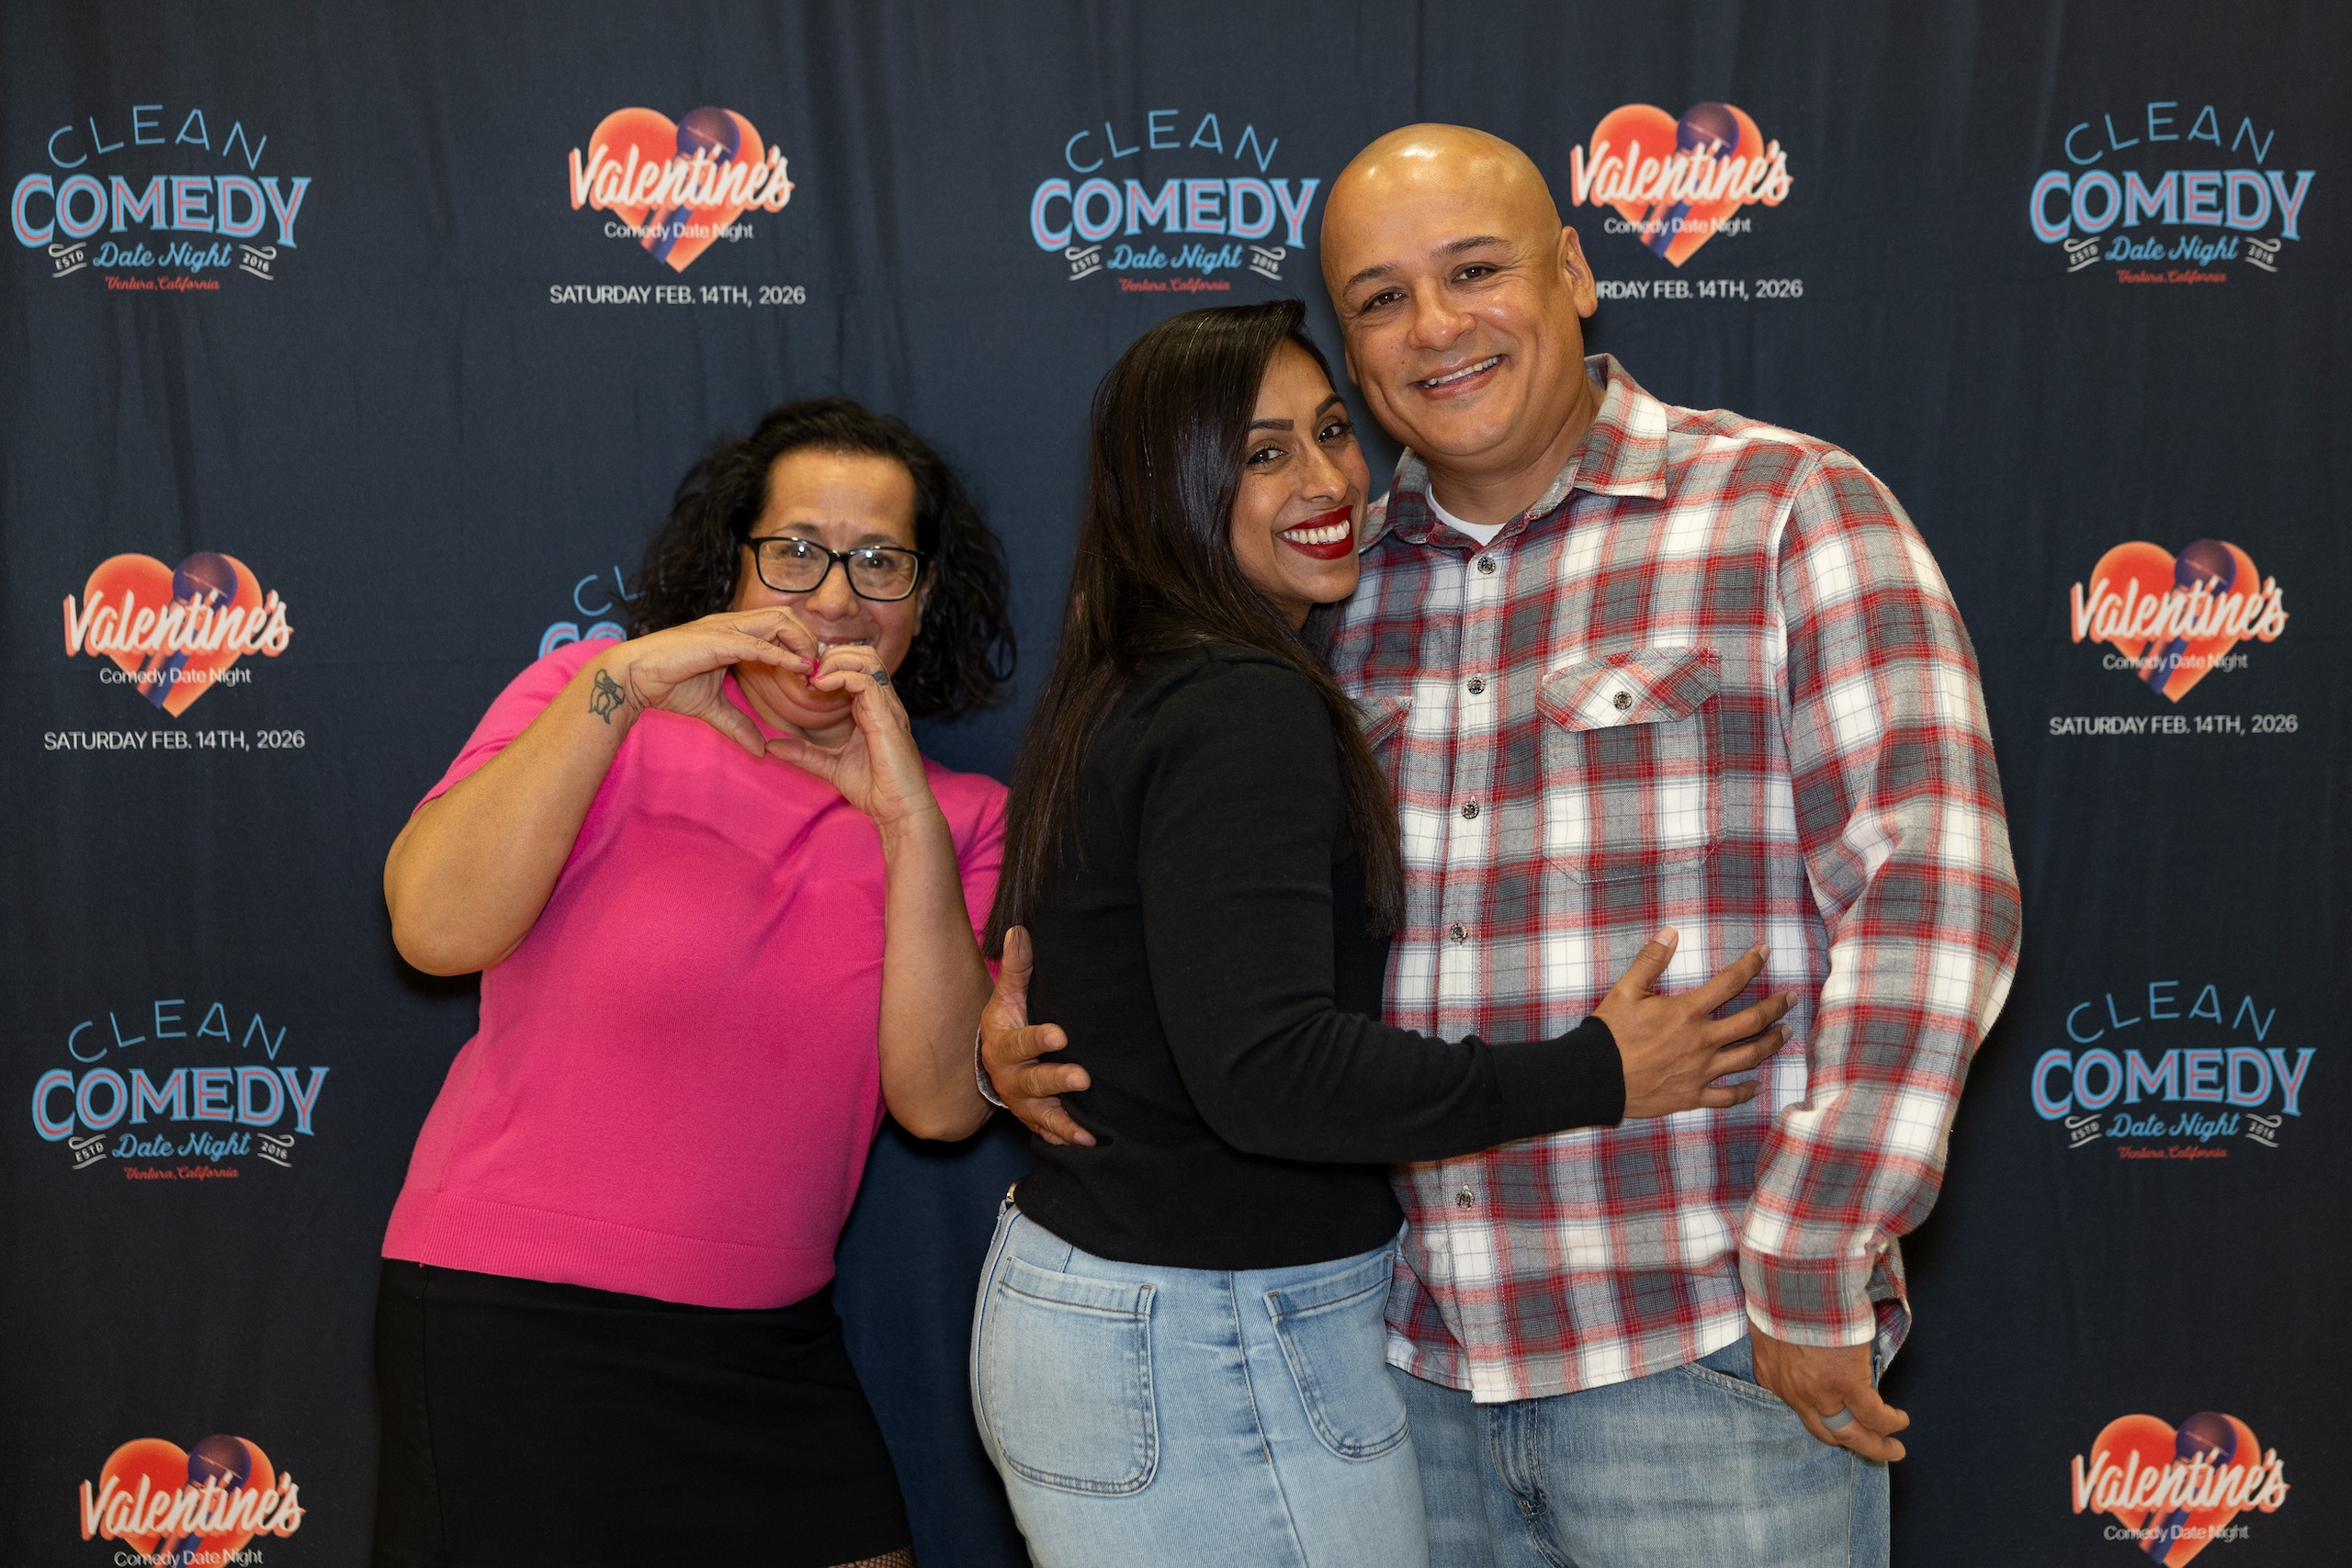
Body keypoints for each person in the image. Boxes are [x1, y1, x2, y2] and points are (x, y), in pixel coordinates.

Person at [985, 128, 2022, 1568]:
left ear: (1576, 271)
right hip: (1400, 1358)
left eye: (1473, 271)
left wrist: (1812, 1255)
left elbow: (1932, 896)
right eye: (1381, 298)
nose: (1434, 326)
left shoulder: (1785, 508)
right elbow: (1217, 921)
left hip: (1695, 1352)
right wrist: (1037, 1041)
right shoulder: (1332, 587)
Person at [967, 299, 1795, 1568]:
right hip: (1206, 1335)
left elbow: (1088, 971)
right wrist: (1600, 1069)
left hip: (1125, 1301)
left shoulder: (1133, 672)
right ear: (1170, 486)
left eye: (1331, 430)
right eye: (1262, 453)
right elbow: (1270, 1073)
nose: (1326, 480)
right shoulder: (1241, 701)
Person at [373, 397, 1014, 1568]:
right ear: (734, 566)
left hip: (771, 1347)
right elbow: (433, 927)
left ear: (924, 600)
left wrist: (904, 819)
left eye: (880, 562)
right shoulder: (591, 697)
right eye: (796, 551)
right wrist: (623, 683)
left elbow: (939, 1102)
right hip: (514, 1319)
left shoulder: (959, 821)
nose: (833, 598)